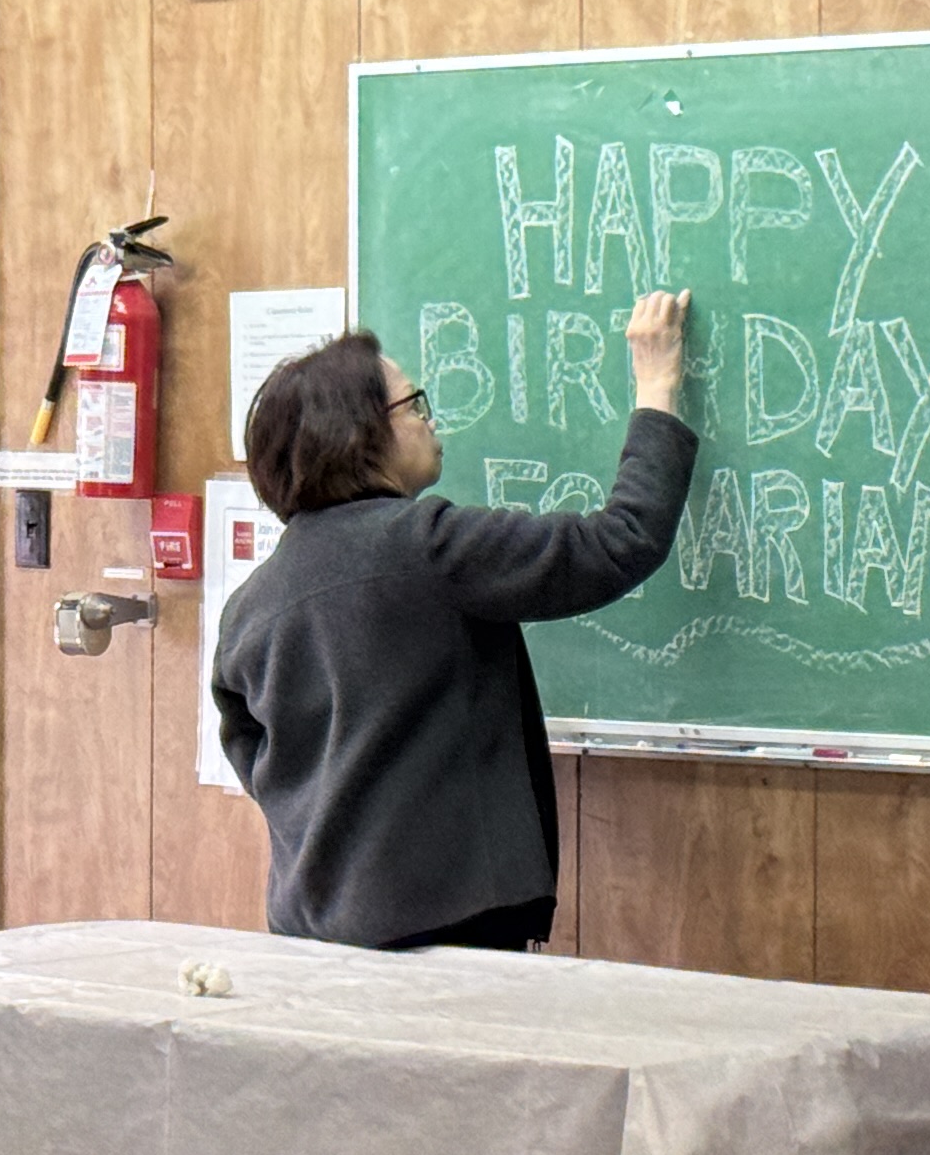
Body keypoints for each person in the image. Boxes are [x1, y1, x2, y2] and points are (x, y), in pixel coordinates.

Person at [213, 293, 692, 951]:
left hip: (308, 936)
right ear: (361, 434)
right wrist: (657, 384)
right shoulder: (426, 545)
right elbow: (623, 540)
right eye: (414, 405)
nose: (433, 423)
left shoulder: (249, 606)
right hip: (449, 938)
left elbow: (250, 752)